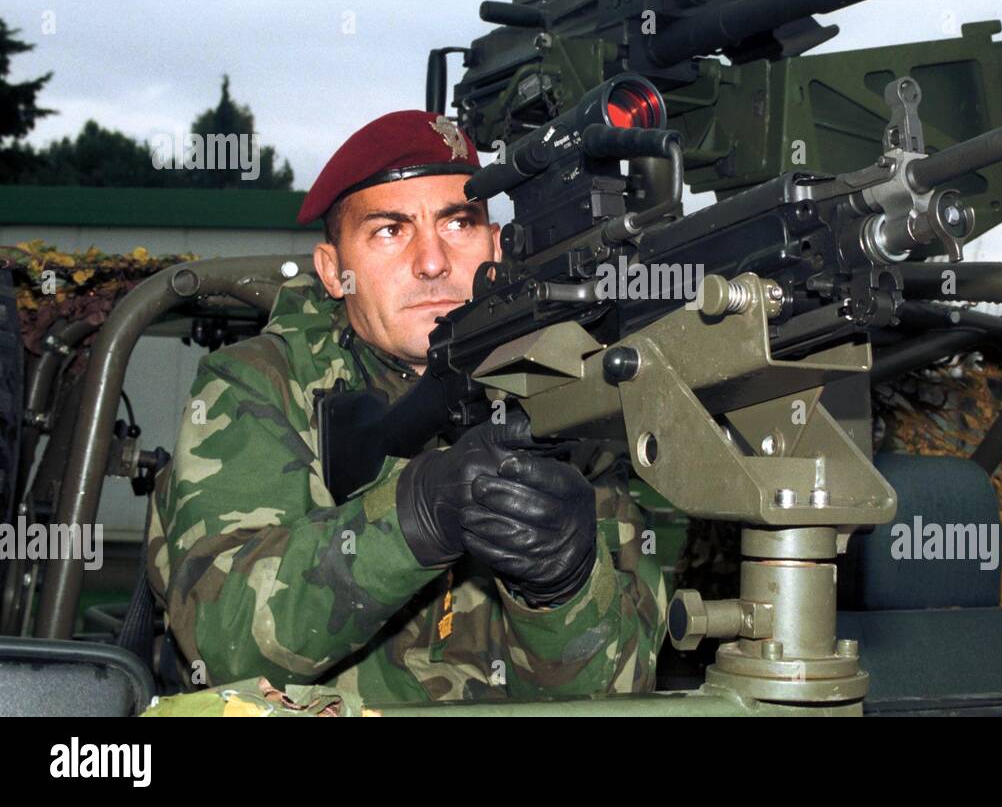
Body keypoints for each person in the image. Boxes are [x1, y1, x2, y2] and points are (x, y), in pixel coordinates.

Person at [146, 110, 667, 704]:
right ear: (333, 271)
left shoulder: (561, 388)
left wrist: (565, 588)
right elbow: (225, 643)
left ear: (498, 246)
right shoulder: (260, 385)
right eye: (390, 231)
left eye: (458, 224)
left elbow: (619, 696)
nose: (431, 261)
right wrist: (414, 515)